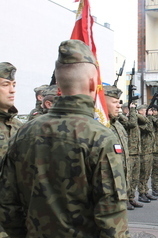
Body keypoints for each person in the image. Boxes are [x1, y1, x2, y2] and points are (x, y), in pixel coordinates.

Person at [0, 40, 129, 237]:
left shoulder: (24, 132)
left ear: (58, 84)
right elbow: (112, 218)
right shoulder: (101, 137)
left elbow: (8, 206)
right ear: (94, 83)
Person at [0, 62, 23, 238]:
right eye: (5, 85)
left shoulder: (20, 128)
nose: (12, 90)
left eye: (13, 85)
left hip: (16, 222)